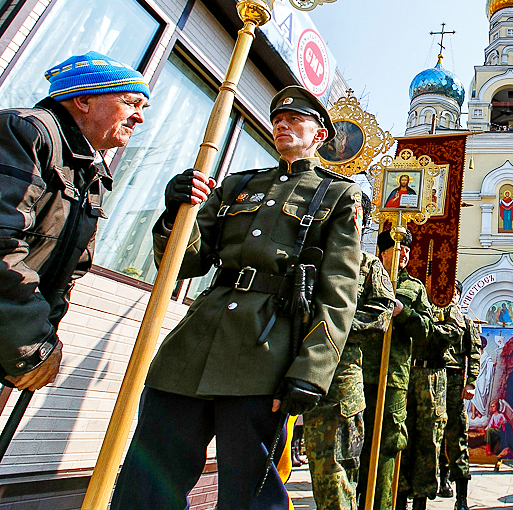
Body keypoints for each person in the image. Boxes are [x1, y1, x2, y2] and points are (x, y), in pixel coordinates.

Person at [110, 86, 363, 510]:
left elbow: (338, 292)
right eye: (278, 119)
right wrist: (176, 213)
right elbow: (185, 263)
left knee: (249, 492)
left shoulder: (337, 195)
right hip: (193, 347)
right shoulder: (239, 185)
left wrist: (312, 370)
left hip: (262, 354)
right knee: (148, 479)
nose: (282, 125)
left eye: (295, 120)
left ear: (319, 135)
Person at [1, 52, 148, 392]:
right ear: (82, 99)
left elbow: (68, 270)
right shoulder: (24, 132)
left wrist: (42, 342)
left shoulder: (91, 174)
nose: (139, 118)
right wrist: (31, 344)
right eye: (131, 102)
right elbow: (2, 242)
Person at [305, 195, 397, 510]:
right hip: (284, 369)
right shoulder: (310, 256)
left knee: (333, 467)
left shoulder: (368, 265)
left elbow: (380, 313)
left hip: (337, 381)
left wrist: (329, 327)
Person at [357, 229, 431, 510]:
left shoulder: (414, 288)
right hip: (359, 372)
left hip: (394, 376)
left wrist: (404, 314)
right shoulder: (364, 279)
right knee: (356, 442)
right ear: (383, 252)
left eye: (408, 252)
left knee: (389, 442)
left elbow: (426, 331)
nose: (404, 257)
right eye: (398, 250)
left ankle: (382, 503)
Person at [397, 283, 465, 509]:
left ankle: (421, 498)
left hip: (433, 374)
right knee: (402, 435)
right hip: (406, 371)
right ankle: (400, 495)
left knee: (429, 438)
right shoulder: (412, 292)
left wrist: (423, 327)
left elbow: (455, 332)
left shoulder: (445, 304)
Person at [437, 282, 481, 510]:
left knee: (455, 435)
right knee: (432, 434)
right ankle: (441, 481)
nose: (450, 296)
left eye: (454, 293)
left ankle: (461, 497)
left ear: (458, 296)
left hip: (453, 381)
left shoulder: (465, 322)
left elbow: (474, 354)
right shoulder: (433, 315)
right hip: (431, 377)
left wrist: (471, 383)